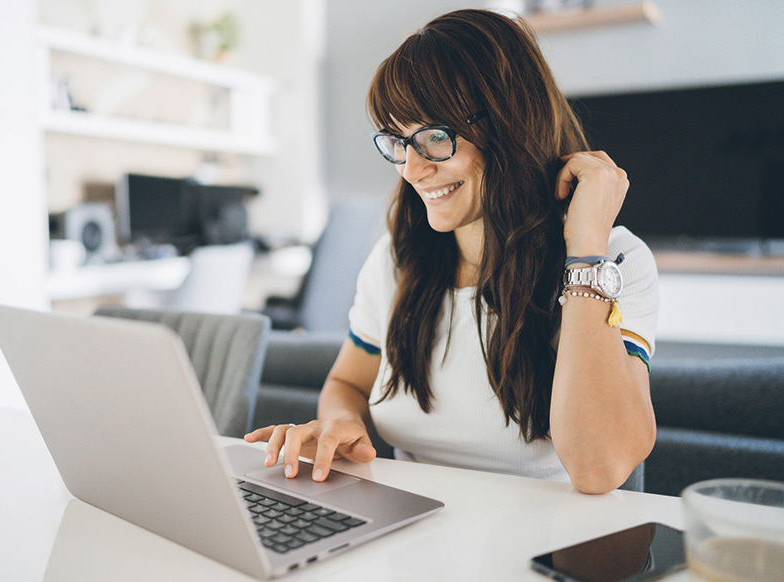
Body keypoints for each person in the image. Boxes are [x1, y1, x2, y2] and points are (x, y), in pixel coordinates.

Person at [245, 9, 659, 494]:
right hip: (408, 529)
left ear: (511, 124)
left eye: (436, 137)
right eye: (399, 142)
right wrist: (342, 422)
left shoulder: (616, 263)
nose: (411, 169)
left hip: (547, 545)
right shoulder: (396, 261)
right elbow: (347, 385)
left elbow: (600, 470)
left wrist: (586, 251)